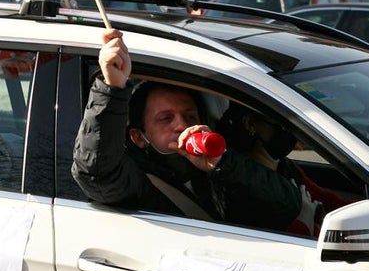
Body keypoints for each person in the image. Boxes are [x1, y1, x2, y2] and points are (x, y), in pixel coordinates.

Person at [72, 29, 302, 230]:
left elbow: (287, 207)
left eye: (190, 116)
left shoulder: (219, 168)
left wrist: (222, 165)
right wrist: (111, 87)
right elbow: (96, 172)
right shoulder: (136, 180)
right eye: (165, 119)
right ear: (139, 137)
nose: (182, 125)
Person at [214, 103, 353, 237]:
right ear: (250, 123)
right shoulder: (243, 182)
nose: (290, 131)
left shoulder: (285, 167)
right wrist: (305, 219)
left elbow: (326, 199)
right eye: (281, 122)